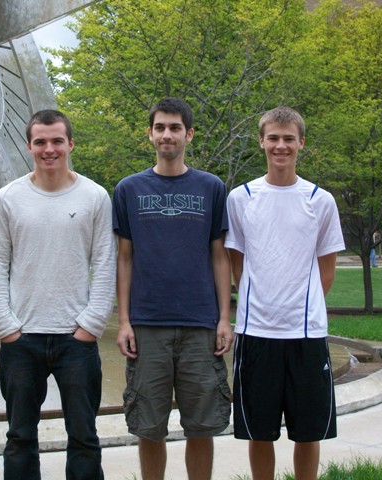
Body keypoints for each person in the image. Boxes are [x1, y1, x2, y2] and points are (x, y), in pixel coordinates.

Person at [0, 109, 116, 480]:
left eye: (57, 140)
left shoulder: (95, 196)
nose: (49, 149)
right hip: (21, 339)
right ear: (29, 146)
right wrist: (5, 326)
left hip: (76, 339)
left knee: (84, 437)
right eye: (40, 141)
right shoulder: (8, 198)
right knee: (20, 437)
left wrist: (90, 325)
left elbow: (106, 264)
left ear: (70, 144)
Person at [113, 97, 233, 480]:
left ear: (189, 134)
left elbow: (219, 256)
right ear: (150, 133)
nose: (167, 134)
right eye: (160, 127)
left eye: (175, 127)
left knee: (202, 427)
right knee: (149, 428)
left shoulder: (211, 187)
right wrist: (124, 321)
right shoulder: (129, 189)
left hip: (200, 324)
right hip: (148, 325)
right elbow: (125, 258)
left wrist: (224, 318)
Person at [225, 106, 345, 480]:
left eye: (288, 139)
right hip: (256, 333)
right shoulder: (240, 198)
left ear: (301, 143)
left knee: (308, 433)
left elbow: (326, 272)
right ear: (261, 141)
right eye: (273, 138)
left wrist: (299, 307)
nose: (281, 146)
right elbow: (237, 265)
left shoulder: (319, 200)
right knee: (259, 433)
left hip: (306, 334)